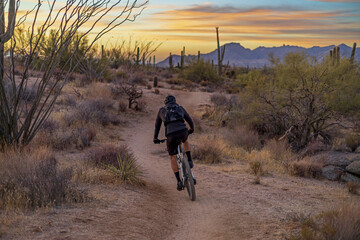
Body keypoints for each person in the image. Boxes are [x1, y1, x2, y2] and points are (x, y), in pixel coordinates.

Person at [153, 95, 195, 191]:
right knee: (185, 140)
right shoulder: (180, 108)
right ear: (175, 102)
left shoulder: (162, 110)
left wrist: (155, 138)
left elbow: (157, 126)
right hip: (183, 131)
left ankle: (179, 181)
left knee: (172, 157)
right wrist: (192, 129)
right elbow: (189, 119)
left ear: (165, 103)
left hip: (171, 135)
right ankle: (189, 159)